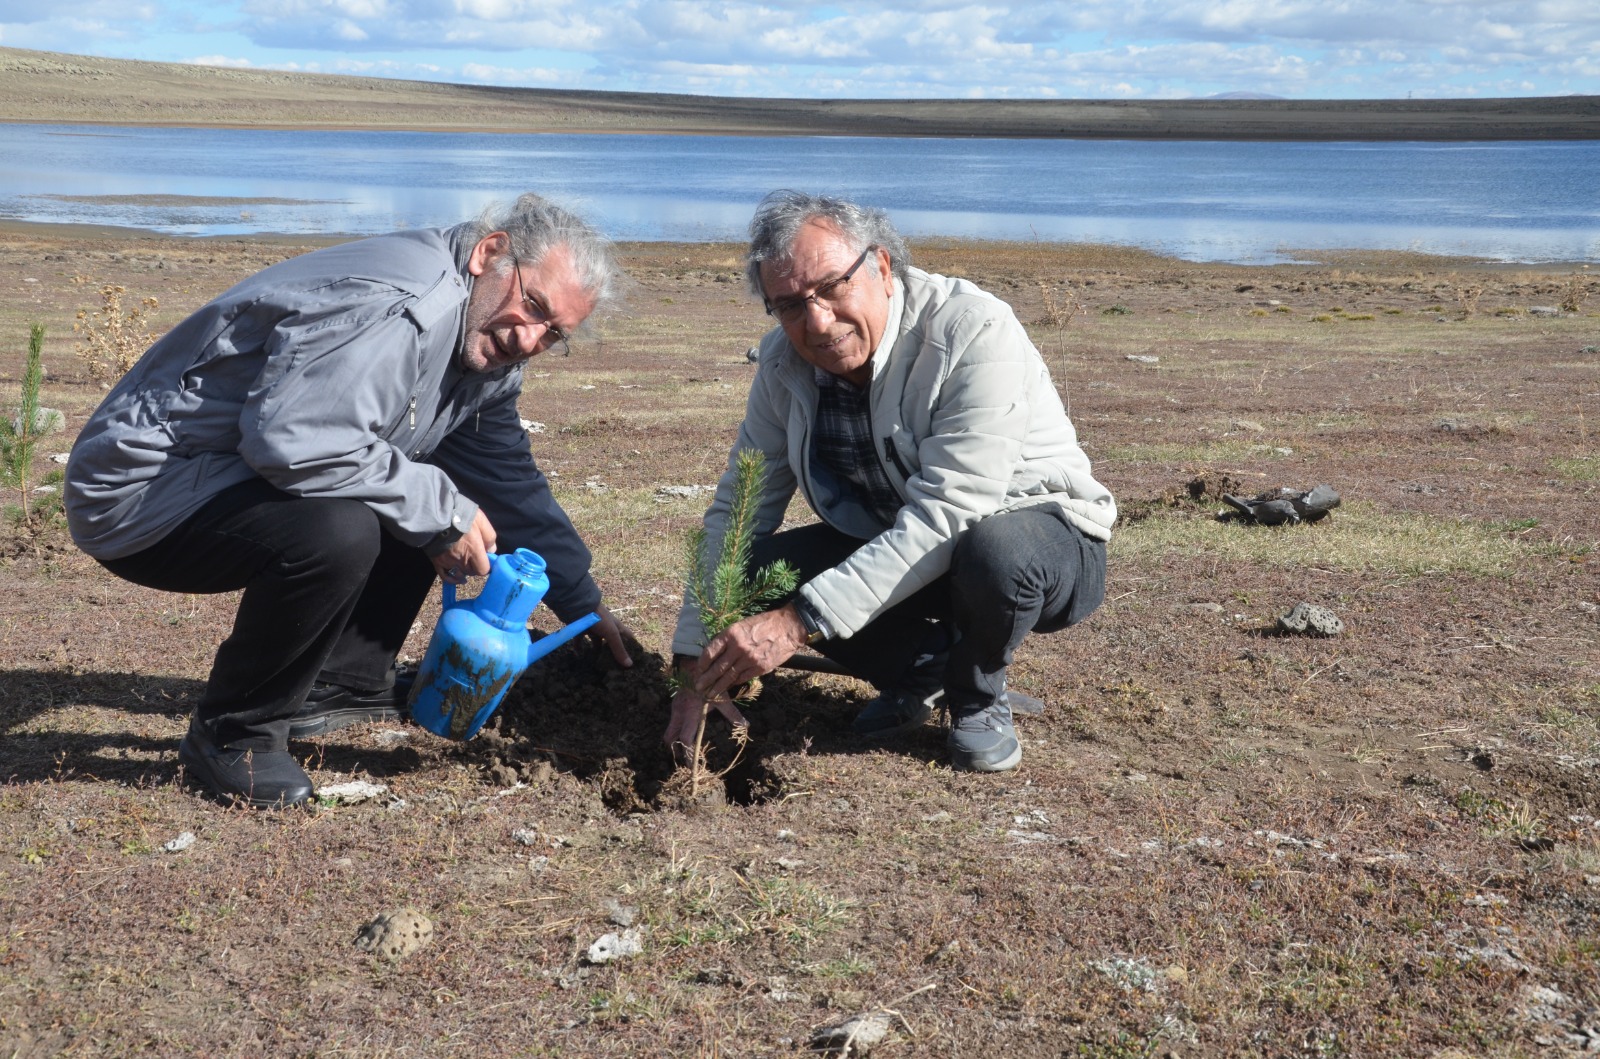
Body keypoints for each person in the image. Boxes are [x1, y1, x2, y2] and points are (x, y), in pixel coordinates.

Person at [66, 193, 634, 808]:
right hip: (143, 491)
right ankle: (232, 737)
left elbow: (507, 481)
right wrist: (441, 510)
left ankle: (341, 682)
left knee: (425, 492)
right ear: (489, 253)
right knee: (351, 525)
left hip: (225, 475)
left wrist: (584, 605)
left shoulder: (485, 347)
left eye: (554, 334)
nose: (528, 339)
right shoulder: (402, 307)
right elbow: (289, 441)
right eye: (533, 305)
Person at [665, 190, 1115, 773]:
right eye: (790, 305)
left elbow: (955, 510)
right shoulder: (783, 362)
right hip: (898, 541)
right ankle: (924, 671)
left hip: (1038, 540)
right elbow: (740, 504)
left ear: (880, 266)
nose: (817, 322)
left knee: (995, 552)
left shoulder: (971, 329)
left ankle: (976, 691)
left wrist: (797, 623)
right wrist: (688, 660)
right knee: (754, 574)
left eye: (831, 288)